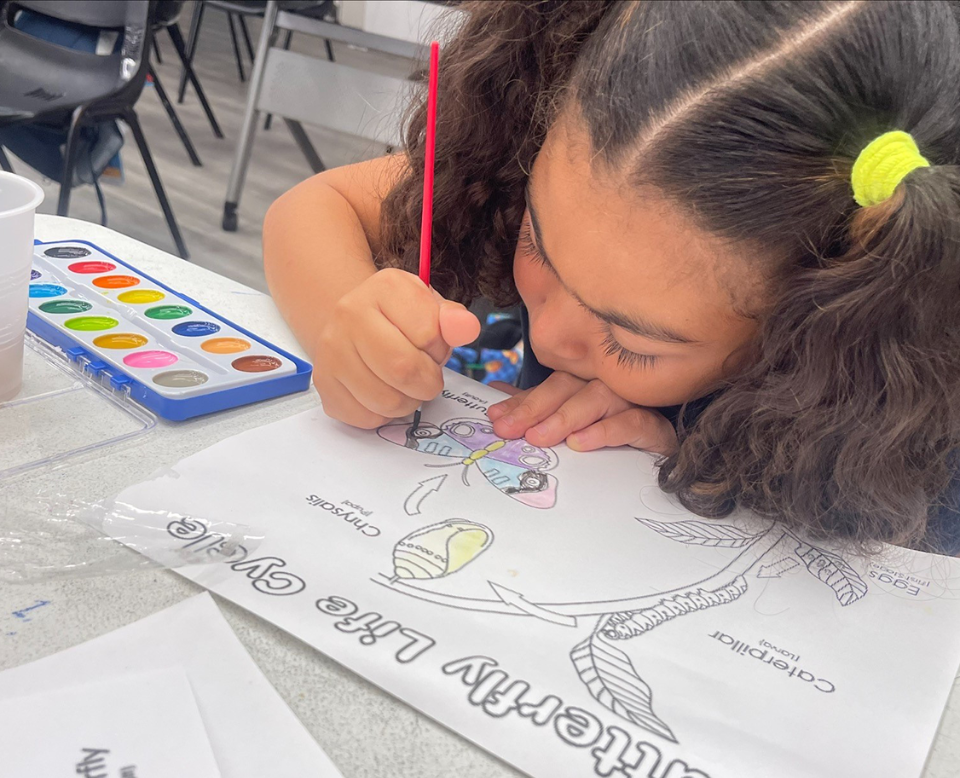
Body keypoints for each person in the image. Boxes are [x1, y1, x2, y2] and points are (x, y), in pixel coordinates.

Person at [263, 0, 960, 556]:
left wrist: (698, 470)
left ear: (826, 316)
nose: (551, 336)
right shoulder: (584, 161)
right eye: (537, 238)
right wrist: (348, 329)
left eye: (631, 341)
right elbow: (314, 208)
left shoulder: (918, 416)